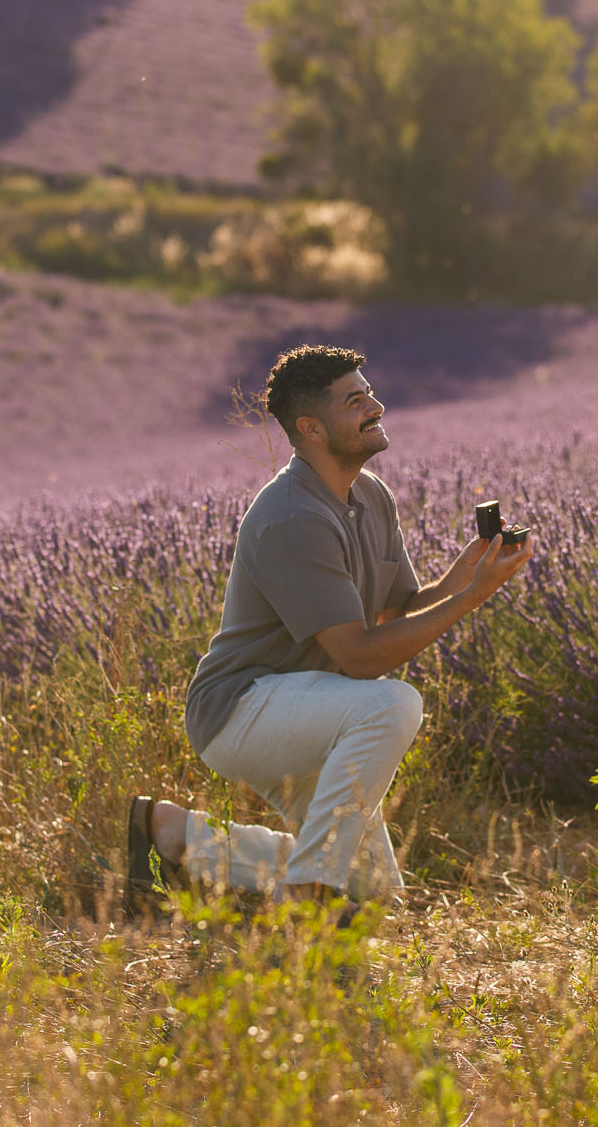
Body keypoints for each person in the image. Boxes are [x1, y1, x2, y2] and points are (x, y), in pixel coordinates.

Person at [126, 343, 531, 916]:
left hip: (316, 708)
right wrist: (473, 598)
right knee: (393, 704)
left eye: (370, 394)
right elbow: (362, 657)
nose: (376, 407)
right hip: (243, 709)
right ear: (311, 429)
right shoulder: (294, 517)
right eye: (354, 401)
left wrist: (465, 574)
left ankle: (173, 834)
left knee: (375, 892)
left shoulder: (370, 495)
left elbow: (397, 608)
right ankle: (307, 892)